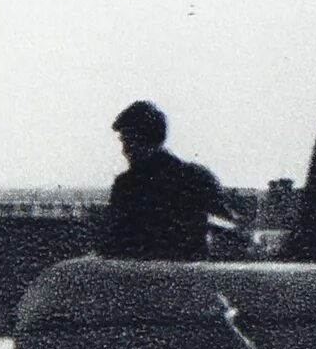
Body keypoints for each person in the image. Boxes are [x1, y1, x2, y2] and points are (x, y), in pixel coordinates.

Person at [99, 101, 236, 261]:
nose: (124, 150)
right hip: (191, 277)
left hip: (141, 277)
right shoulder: (197, 177)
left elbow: (112, 243)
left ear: (141, 140)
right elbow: (228, 227)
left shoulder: (127, 186)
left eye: (127, 141)